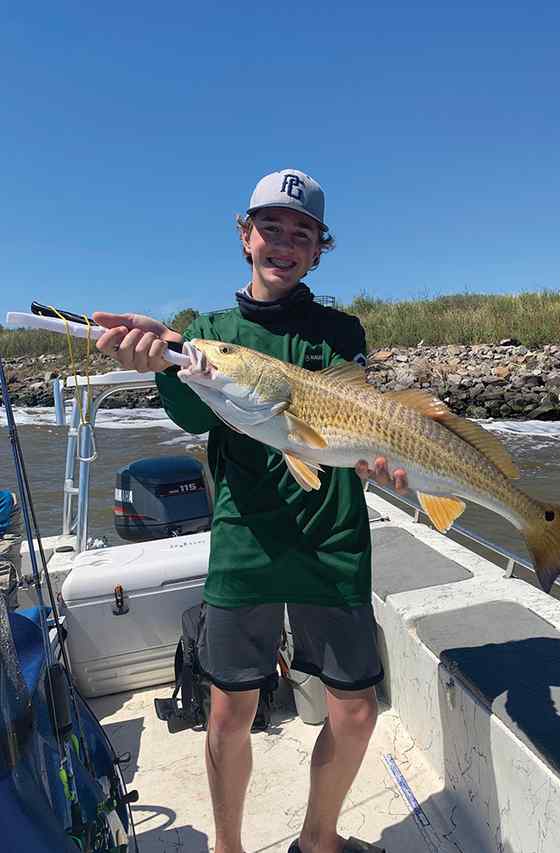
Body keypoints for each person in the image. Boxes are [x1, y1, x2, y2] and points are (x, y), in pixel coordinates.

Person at [94, 169, 407, 853]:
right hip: (246, 543)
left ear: (319, 250)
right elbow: (190, 408)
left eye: (302, 233)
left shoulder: (338, 330)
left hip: (333, 541)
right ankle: (225, 845)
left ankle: (318, 840)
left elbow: (352, 430)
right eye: (271, 227)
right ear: (245, 236)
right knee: (229, 710)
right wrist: (163, 362)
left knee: (354, 711)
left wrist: (382, 459)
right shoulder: (211, 332)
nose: (284, 243)